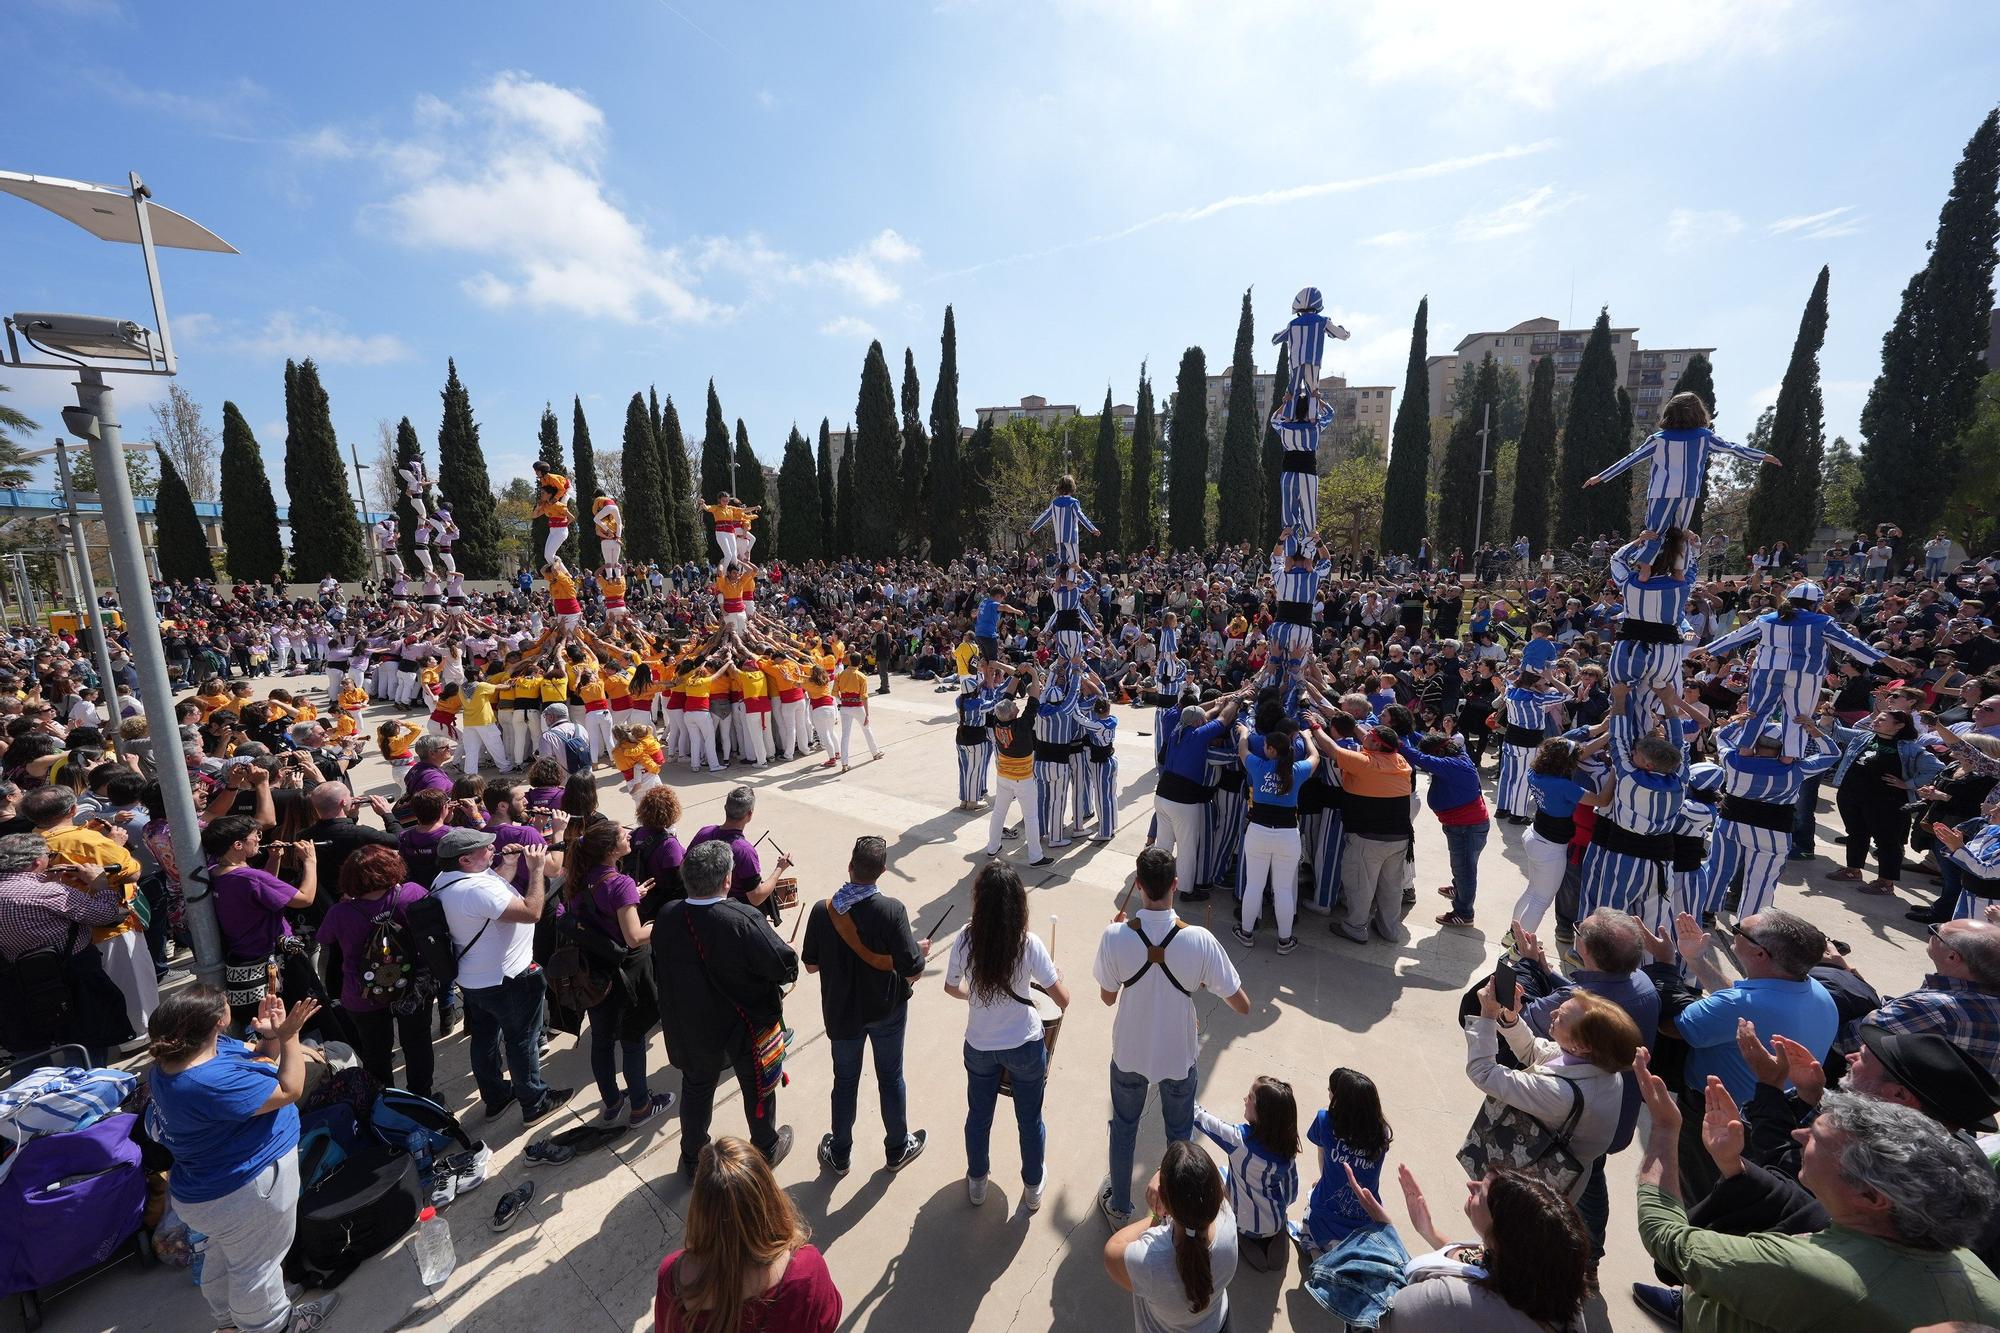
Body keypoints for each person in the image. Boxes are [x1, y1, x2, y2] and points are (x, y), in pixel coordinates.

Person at [1633, 1051, 2000, 1330]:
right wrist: (1734, 1164)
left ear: (1872, 1196)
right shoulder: (1973, 1269)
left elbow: (1667, 1237)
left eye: (1817, 1139)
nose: (1799, 1133)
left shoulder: (1801, 1269)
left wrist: (1665, 1128)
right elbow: (1801, 1209)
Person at [146, 985, 338, 1333]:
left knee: (224, 1258)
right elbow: (290, 1089)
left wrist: (269, 1039)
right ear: (220, 1020)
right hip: (244, 1192)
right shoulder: (207, 1081)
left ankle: (229, 1323)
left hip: (205, 1193)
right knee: (258, 1268)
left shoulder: (179, 1059)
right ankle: (273, 1325)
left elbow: (257, 1063)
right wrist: (290, 1036)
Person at [1092, 847, 1249, 1225]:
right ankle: (1174, 1210)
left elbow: (1108, 996)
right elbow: (1242, 1005)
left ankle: (1119, 1207)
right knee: (1179, 1137)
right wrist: (1202, 967)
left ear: (1139, 885)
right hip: (1178, 1055)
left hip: (1129, 1051)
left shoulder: (1115, 936)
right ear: (1175, 885)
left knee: (1123, 1129)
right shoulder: (1198, 940)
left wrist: (1116, 933)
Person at [652, 840, 799, 1177]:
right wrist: (788, 949)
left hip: (691, 1024)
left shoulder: (668, 914)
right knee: (758, 1085)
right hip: (743, 1025)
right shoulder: (742, 917)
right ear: (727, 881)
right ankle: (765, 1147)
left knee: (697, 1088)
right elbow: (784, 967)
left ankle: (692, 1159)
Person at [1670, 907, 1838, 1197]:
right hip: (1771, 1118)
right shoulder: (1816, 991)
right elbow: (1734, 1002)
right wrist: (1695, 959)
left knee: (1699, 1193)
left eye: (1739, 931)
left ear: (1761, 954)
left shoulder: (1741, 1004)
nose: (1733, 934)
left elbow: (1676, 1027)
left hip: (1719, 1119)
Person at [801, 835, 930, 1177]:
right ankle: (897, 1147)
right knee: (891, 1078)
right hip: (886, 1010)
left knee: (844, 1082)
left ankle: (840, 1153)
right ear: (883, 871)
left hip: (842, 1015)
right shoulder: (892, 910)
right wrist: (919, 950)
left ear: (850, 866)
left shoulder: (822, 910)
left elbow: (811, 965)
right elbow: (914, 970)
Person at [944, 861, 1068, 1209]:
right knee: (1030, 1120)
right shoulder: (1029, 943)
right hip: (1025, 1046)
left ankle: (978, 1181)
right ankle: (1032, 1188)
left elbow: (951, 987)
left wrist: (978, 998)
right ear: (1018, 903)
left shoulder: (966, 937)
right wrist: (1053, 976)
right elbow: (1063, 1000)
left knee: (978, 1117)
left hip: (980, 1045)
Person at [1339, 1164, 1593, 1331]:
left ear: (1503, 1234)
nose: (1471, 1185)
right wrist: (1429, 1231)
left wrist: (1384, 1234)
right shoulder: (1561, 1295)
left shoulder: (1452, 1301)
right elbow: (1476, 1266)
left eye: (1482, 1192)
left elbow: (1387, 1320)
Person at [433, 826, 572, 1124]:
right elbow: (531, 911)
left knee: (484, 1038)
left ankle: (496, 1098)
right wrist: (536, 870)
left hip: (475, 979)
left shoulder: (447, 879)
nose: (492, 849)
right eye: (484, 848)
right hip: (509, 979)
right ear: (465, 860)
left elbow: (492, 906)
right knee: (522, 1039)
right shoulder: (476, 889)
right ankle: (535, 1102)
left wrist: (506, 867)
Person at [653, 1137, 841, 1333]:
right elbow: (828, 1320)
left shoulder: (673, 1278)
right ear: (768, 1199)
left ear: (699, 1210)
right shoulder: (805, 1269)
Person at [564, 819, 674, 1127]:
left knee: (601, 1041)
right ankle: (640, 1106)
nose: (630, 837)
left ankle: (612, 1102)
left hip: (592, 972)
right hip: (624, 973)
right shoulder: (619, 883)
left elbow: (597, 911)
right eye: (625, 836)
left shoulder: (579, 877)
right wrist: (664, 922)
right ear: (612, 850)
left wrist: (630, 898)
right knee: (633, 1038)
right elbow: (634, 937)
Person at [0, 831, 134, 1056]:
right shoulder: (48, 893)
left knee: (32, 1055)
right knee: (83, 1046)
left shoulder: (39, 890)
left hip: (19, 983)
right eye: (49, 856)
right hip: (73, 977)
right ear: (37, 861)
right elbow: (106, 914)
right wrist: (100, 883)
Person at [317, 845, 434, 1098]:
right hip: (412, 985)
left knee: (375, 1052)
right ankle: (422, 1098)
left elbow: (324, 938)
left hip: (361, 994)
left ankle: (385, 1102)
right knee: (417, 1043)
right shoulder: (412, 894)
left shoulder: (340, 913)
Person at [1101, 1139, 1236, 1333]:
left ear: (1167, 1203)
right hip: (1219, 1325)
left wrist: (1158, 1216)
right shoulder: (1228, 1223)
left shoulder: (1148, 1261)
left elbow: (1112, 1250)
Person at [1234, 720, 1332, 952]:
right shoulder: (1297, 770)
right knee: (1284, 889)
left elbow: (1242, 750)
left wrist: (1245, 733)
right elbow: (1315, 758)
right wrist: (1308, 737)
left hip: (1258, 831)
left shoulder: (1258, 766)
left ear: (1269, 750)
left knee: (1254, 886)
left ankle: (1246, 932)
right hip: (1288, 835)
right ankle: (1284, 940)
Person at [1868, 917, 2000, 1080]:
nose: (1933, 931)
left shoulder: (1932, 1007)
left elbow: (1853, 1038)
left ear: (1952, 957)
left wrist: (1842, 971)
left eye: (1936, 932)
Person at [1193, 1076, 1300, 1273]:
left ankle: (1244, 1239)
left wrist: (1182, 1085)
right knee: (1276, 1216)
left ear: (1262, 1112)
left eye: (1250, 1097)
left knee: (1219, 1173)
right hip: (1275, 1219)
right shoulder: (1288, 1150)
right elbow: (1291, 1194)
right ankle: (1276, 1235)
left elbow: (1201, 1118)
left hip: (1243, 1221)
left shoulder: (1237, 1140)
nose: (1245, 1099)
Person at [1295, 1066, 1394, 1260]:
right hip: (1367, 1217)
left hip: (1326, 1214)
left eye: (1331, 1092)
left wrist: (1324, 1178)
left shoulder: (1324, 1121)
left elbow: (1322, 1156)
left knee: (1311, 1205)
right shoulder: (1381, 1132)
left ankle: (1316, 1252)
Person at [690, 786, 794, 924]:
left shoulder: (704, 833)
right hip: (733, 915)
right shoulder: (744, 851)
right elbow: (756, 897)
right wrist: (780, 868)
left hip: (700, 904)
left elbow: (684, 866)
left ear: (725, 808)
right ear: (750, 814)